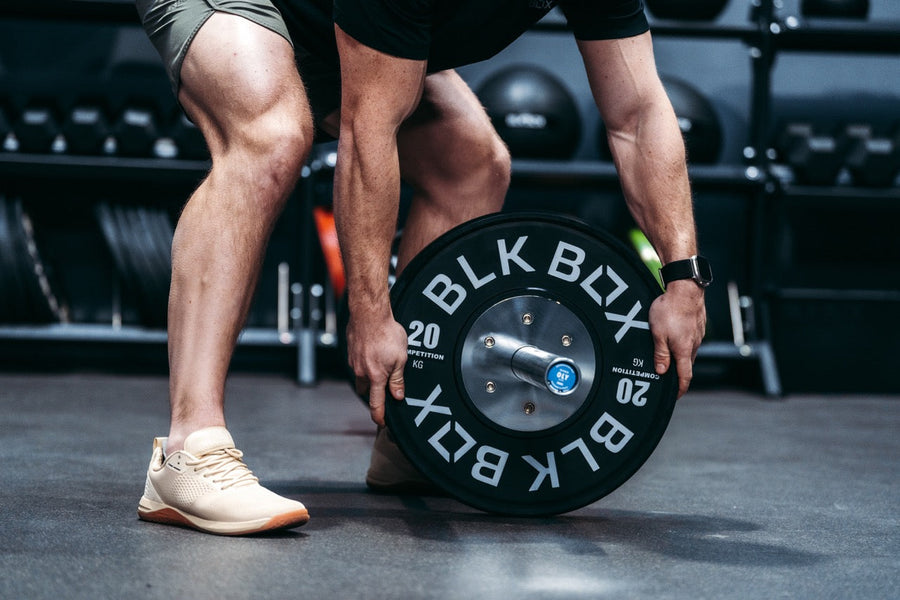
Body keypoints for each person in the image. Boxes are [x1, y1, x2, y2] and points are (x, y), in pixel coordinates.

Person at [134, 0, 708, 536]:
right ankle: (190, 452)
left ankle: (409, 435)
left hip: (328, 20)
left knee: (472, 165)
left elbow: (637, 113)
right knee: (271, 136)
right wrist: (370, 312)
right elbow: (367, 131)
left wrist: (683, 276)